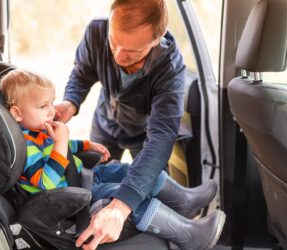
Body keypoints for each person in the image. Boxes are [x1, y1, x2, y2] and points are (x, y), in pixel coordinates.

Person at [54, 0, 223, 249]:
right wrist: (71, 102)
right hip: (105, 124)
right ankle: (184, 200)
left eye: (132, 51)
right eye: (114, 42)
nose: (119, 55)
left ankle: (182, 211)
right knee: (102, 177)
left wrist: (121, 206)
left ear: (157, 39)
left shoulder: (170, 67)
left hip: (145, 137)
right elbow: (83, 72)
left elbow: (161, 136)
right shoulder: (96, 32)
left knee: (144, 181)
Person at [0, 69, 225, 250]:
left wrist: (87, 145)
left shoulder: (39, 131)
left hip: (81, 178)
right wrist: (60, 142)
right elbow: (47, 182)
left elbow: (64, 146)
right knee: (124, 193)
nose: (51, 111)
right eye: (42, 107)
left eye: (52, 103)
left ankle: (183, 200)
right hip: (72, 200)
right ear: (17, 113)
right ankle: (189, 235)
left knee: (129, 170)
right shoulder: (26, 146)